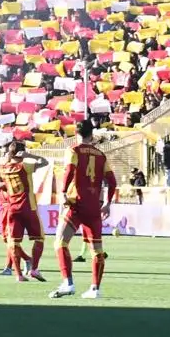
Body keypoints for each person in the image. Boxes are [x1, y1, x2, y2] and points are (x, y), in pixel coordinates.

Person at [50, 121, 116, 300]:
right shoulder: (101, 155)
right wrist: (108, 203)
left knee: (60, 243)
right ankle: (95, 289)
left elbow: (69, 171)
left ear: (77, 133)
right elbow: (113, 181)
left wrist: (63, 192)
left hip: (75, 202)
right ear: (91, 134)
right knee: (97, 250)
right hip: (94, 206)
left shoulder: (74, 150)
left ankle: (68, 283)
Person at [0, 140, 48, 282]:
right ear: (21, 152)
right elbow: (44, 162)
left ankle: (19, 275)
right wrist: (29, 154)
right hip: (28, 207)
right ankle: (34, 269)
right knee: (39, 238)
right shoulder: (25, 166)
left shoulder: (3, 168)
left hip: (12, 208)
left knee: (13, 241)